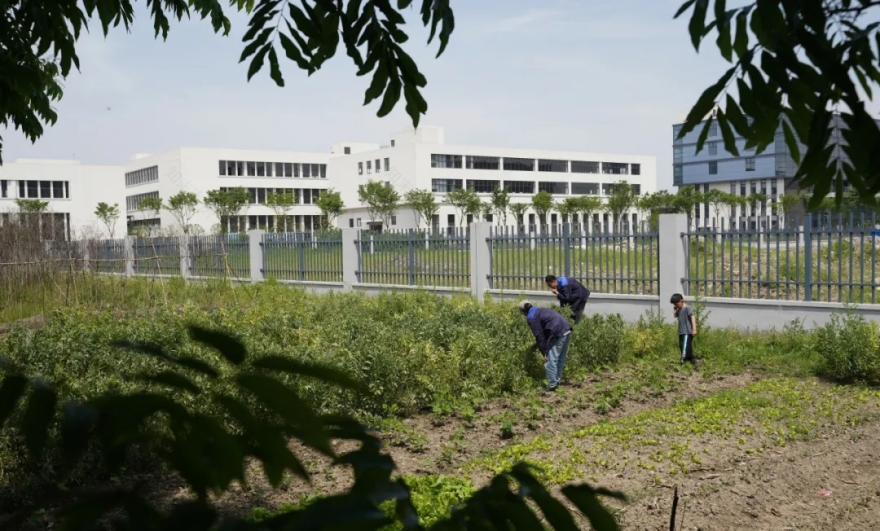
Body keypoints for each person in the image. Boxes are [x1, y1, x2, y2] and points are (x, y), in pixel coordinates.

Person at [519, 300, 573, 392]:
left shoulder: (531, 317)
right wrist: (537, 346)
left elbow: (539, 335)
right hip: (566, 329)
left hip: (557, 331)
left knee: (550, 361)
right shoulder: (539, 310)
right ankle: (556, 382)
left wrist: (544, 352)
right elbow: (544, 332)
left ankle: (552, 385)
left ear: (523, 312)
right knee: (559, 358)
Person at [670, 293, 699, 365]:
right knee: (682, 345)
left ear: (682, 301)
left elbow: (692, 317)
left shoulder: (687, 308)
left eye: (676, 304)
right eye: (674, 305)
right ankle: (692, 359)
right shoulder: (679, 309)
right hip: (681, 331)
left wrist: (694, 329)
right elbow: (675, 316)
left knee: (685, 347)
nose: (675, 306)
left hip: (687, 331)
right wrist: (675, 309)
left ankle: (683, 361)